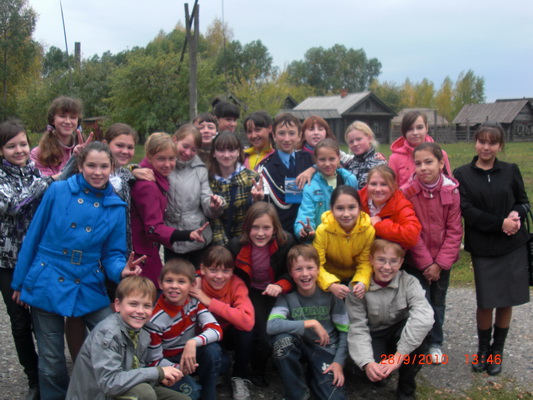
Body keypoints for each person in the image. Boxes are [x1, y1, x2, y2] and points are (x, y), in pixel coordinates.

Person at [11, 141, 144, 400]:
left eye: (103, 166)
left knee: (112, 333)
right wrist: (20, 282)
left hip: (87, 279)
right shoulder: (58, 190)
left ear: (111, 167)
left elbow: (112, 254)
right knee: (51, 356)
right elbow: (34, 234)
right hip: (48, 275)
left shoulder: (116, 206)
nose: (97, 172)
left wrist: (122, 271)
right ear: (80, 165)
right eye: (91, 165)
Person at [454, 122, 530, 375]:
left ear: (500, 145)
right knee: (486, 301)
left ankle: (497, 352)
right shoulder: (462, 174)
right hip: (483, 247)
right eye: (482, 141)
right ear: (475, 142)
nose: (486, 147)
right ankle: (482, 350)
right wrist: (500, 223)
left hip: (512, 245)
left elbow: (523, 202)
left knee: (506, 300)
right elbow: (467, 210)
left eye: (492, 142)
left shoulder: (510, 170)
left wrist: (515, 215)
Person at [66, 276, 190, 400]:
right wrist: (157, 372)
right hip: (99, 394)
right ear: (118, 305)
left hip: (122, 387)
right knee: (145, 393)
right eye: (133, 304)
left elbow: (136, 371)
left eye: (147, 306)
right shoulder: (107, 333)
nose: (140, 311)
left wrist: (159, 377)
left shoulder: (142, 331)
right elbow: (110, 383)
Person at [0, 120, 54, 400]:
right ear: (1, 150)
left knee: (44, 319)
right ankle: (33, 377)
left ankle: (50, 374)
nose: (19, 150)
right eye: (11, 146)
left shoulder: (35, 172)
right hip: (8, 262)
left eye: (23, 144)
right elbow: (13, 205)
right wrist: (48, 182)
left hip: (38, 259)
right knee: (20, 323)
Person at [347, 239, 434, 400]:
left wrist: (399, 356)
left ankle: (406, 388)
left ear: (401, 262)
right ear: (371, 260)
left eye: (393, 261)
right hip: (373, 334)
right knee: (371, 375)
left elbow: (424, 316)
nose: (387, 267)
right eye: (381, 260)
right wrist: (367, 362)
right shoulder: (357, 288)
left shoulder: (409, 282)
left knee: (420, 337)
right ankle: (381, 363)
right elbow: (357, 327)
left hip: (398, 331)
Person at [400, 142, 462, 364]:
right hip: (418, 260)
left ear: (441, 163)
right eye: (418, 163)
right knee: (419, 301)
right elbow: (411, 230)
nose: (423, 167)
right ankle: (418, 342)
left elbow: (455, 230)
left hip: (442, 261)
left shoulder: (451, 191)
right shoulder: (407, 192)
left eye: (429, 162)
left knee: (437, 300)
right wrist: (426, 263)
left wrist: (439, 264)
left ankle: (435, 342)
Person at [227, 201, 295, 387]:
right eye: (255, 227)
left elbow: (293, 271)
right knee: (261, 335)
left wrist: (280, 285)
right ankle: (256, 369)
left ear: (275, 228)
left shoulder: (286, 242)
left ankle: (272, 363)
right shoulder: (236, 246)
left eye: (266, 228)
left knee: (278, 329)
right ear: (247, 227)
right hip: (251, 291)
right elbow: (219, 265)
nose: (260, 233)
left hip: (277, 290)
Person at [267, 244, 348, 400]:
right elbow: (272, 326)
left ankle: (315, 376)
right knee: (281, 341)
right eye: (298, 269)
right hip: (300, 345)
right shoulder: (286, 296)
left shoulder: (331, 294)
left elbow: (345, 330)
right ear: (291, 273)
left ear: (318, 269)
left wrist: (339, 362)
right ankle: (297, 394)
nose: (305, 274)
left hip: (325, 348)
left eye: (310, 268)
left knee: (335, 397)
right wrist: (311, 323)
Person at [131, 132, 207, 287]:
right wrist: (187, 234)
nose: (167, 164)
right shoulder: (147, 185)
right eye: (161, 159)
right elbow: (153, 228)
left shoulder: (155, 176)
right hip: (141, 253)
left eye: (172, 158)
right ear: (149, 157)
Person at [146, 258, 223, 400]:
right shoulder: (154, 320)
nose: (174, 286)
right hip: (167, 361)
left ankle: (208, 395)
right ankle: (191, 385)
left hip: (188, 353)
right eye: (169, 281)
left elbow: (216, 330)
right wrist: (179, 369)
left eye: (181, 282)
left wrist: (192, 342)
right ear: (160, 283)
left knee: (215, 353)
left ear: (192, 285)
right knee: (192, 392)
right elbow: (153, 361)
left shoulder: (193, 301)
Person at [191, 246, 255, 400]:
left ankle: (239, 376)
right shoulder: (195, 284)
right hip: (203, 336)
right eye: (213, 270)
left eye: (226, 271)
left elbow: (248, 321)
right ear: (203, 269)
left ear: (232, 271)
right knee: (220, 364)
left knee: (247, 334)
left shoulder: (236, 284)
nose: (219, 276)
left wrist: (210, 302)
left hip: (226, 332)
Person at [165, 124, 225, 266]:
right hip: (171, 237)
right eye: (185, 146)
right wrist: (135, 169)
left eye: (194, 149)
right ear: (175, 140)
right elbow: (148, 163)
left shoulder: (200, 170)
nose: (188, 153)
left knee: (198, 276)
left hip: (197, 235)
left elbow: (206, 197)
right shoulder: (165, 165)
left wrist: (214, 206)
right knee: (174, 276)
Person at [312, 185, 375, 300]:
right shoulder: (322, 231)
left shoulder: (368, 230)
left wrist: (361, 282)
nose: (346, 214)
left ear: (359, 208)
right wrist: (330, 284)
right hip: (329, 277)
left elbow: (365, 262)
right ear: (332, 209)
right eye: (340, 208)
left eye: (352, 207)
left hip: (355, 277)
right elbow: (317, 264)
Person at [294, 138, 358, 242]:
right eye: (322, 159)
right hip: (321, 240)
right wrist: (304, 230)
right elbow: (305, 213)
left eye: (332, 159)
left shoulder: (350, 180)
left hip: (347, 239)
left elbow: (359, 209)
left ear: (339, 158)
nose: (327, 164)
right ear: (315, 160)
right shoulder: (311, 187)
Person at [260, 113, 314, 233]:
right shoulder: (266, 167)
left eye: (292, 133)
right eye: (281, 133)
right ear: (274, 136)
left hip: (308, 227)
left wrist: (313, 169)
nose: (286, 139)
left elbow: (332, 165)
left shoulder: (309, 159)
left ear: (299, 136)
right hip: (281, 230)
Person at [207, 132, 264, 246]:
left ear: (238, 152)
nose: (226, 155)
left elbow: (260, 215)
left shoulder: (252, 177)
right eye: (221, 150)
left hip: (245, 241)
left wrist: (257, 201)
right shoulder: (207, 180)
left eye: (231, 150)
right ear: (213, 153)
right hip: (216, 244)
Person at [359, 165, 422, 249]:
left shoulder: (400, 205)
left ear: (393, 186)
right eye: (373, 184)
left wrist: (379, 225)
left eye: (384, 184)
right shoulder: (356, 200)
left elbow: (412, 236)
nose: (378, 189)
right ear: (367, 185)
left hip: (386, 255)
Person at [388, 111, 451, 187]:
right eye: (410, 129)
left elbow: (448, 185)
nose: (415, 133)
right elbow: (392, 188)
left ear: (426, 128)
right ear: (404, 132)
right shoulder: (395, 158)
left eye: (419, 127)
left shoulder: (440, 154)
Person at [30, 96, 84, 176]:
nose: (68, 121)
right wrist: (74, 159)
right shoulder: (38, 153)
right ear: (53, 120)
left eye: (73, 117)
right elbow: (47, 182)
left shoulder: (86, 149)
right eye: (62, 116)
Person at [343, 120, 387, 188]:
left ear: (369, 138)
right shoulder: (349, 165)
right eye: (351, 142)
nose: (355, 144)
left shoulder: (380, 163)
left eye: (359, 139)